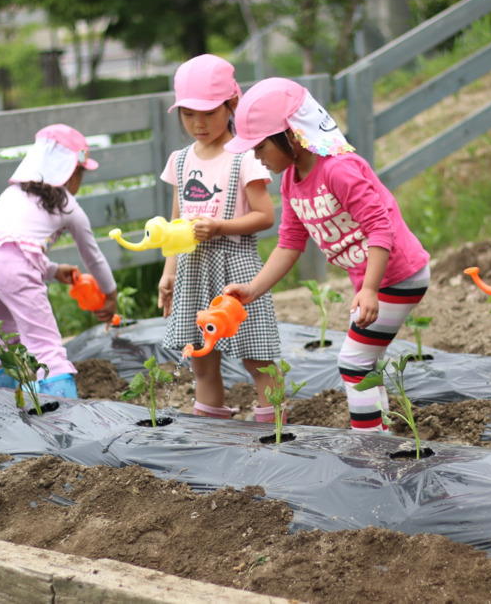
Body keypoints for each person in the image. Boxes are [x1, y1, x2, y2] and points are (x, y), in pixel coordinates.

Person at [222, 78, 431, 432]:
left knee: (353, 361)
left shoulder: (338, 169)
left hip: (397, 275)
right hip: (378, 280)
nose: (256, 157)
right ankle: (382, 435)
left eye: (259, 148)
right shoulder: (291, 180)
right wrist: (253, 289)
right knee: (365, 361)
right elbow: (289, 242)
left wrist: (368, 288)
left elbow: (381, 228)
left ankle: (369, 444)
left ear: (290, 134)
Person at [159, 55, 282, 421]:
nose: (198, 123)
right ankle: (211, 434)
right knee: (200, 357)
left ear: (231, 105)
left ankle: (275, 430)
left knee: (257, 356)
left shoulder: (246, 156)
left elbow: (265, 216)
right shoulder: (180, 161)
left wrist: (219, 227)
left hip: (236, 269)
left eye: (209, 113)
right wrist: (169, 272)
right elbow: (176, 222)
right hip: (193, 268)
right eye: (187, 114)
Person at [0, 124, 117, 398]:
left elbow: (1, 248)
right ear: (71, 173)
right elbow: (93, 257)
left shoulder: (13, 193)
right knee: (44, 344)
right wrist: (110, 296)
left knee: (4, 335)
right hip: (8, 264)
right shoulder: (67, 203)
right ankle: (64, 415)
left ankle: (5, 397)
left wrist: (53, 271)